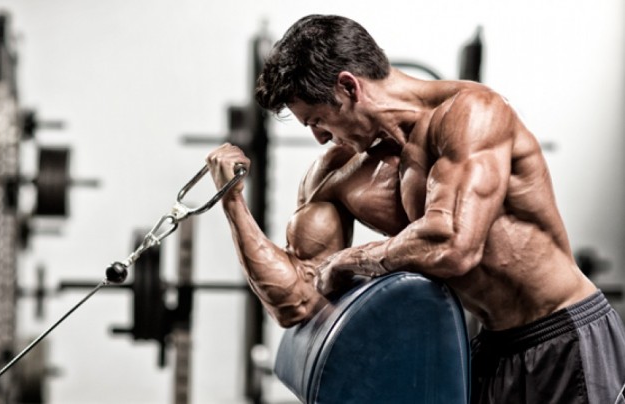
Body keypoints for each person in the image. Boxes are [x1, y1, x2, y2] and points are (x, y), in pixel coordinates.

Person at [205, 14, 625, 404]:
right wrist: (233, 203)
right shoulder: (338, 174)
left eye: (317, 120)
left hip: (562, 333)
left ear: (349, 88)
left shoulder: (472, 114)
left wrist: (351, 260)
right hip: (490, 350)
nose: (319, 139)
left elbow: (453, 245)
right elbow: (296, 302)